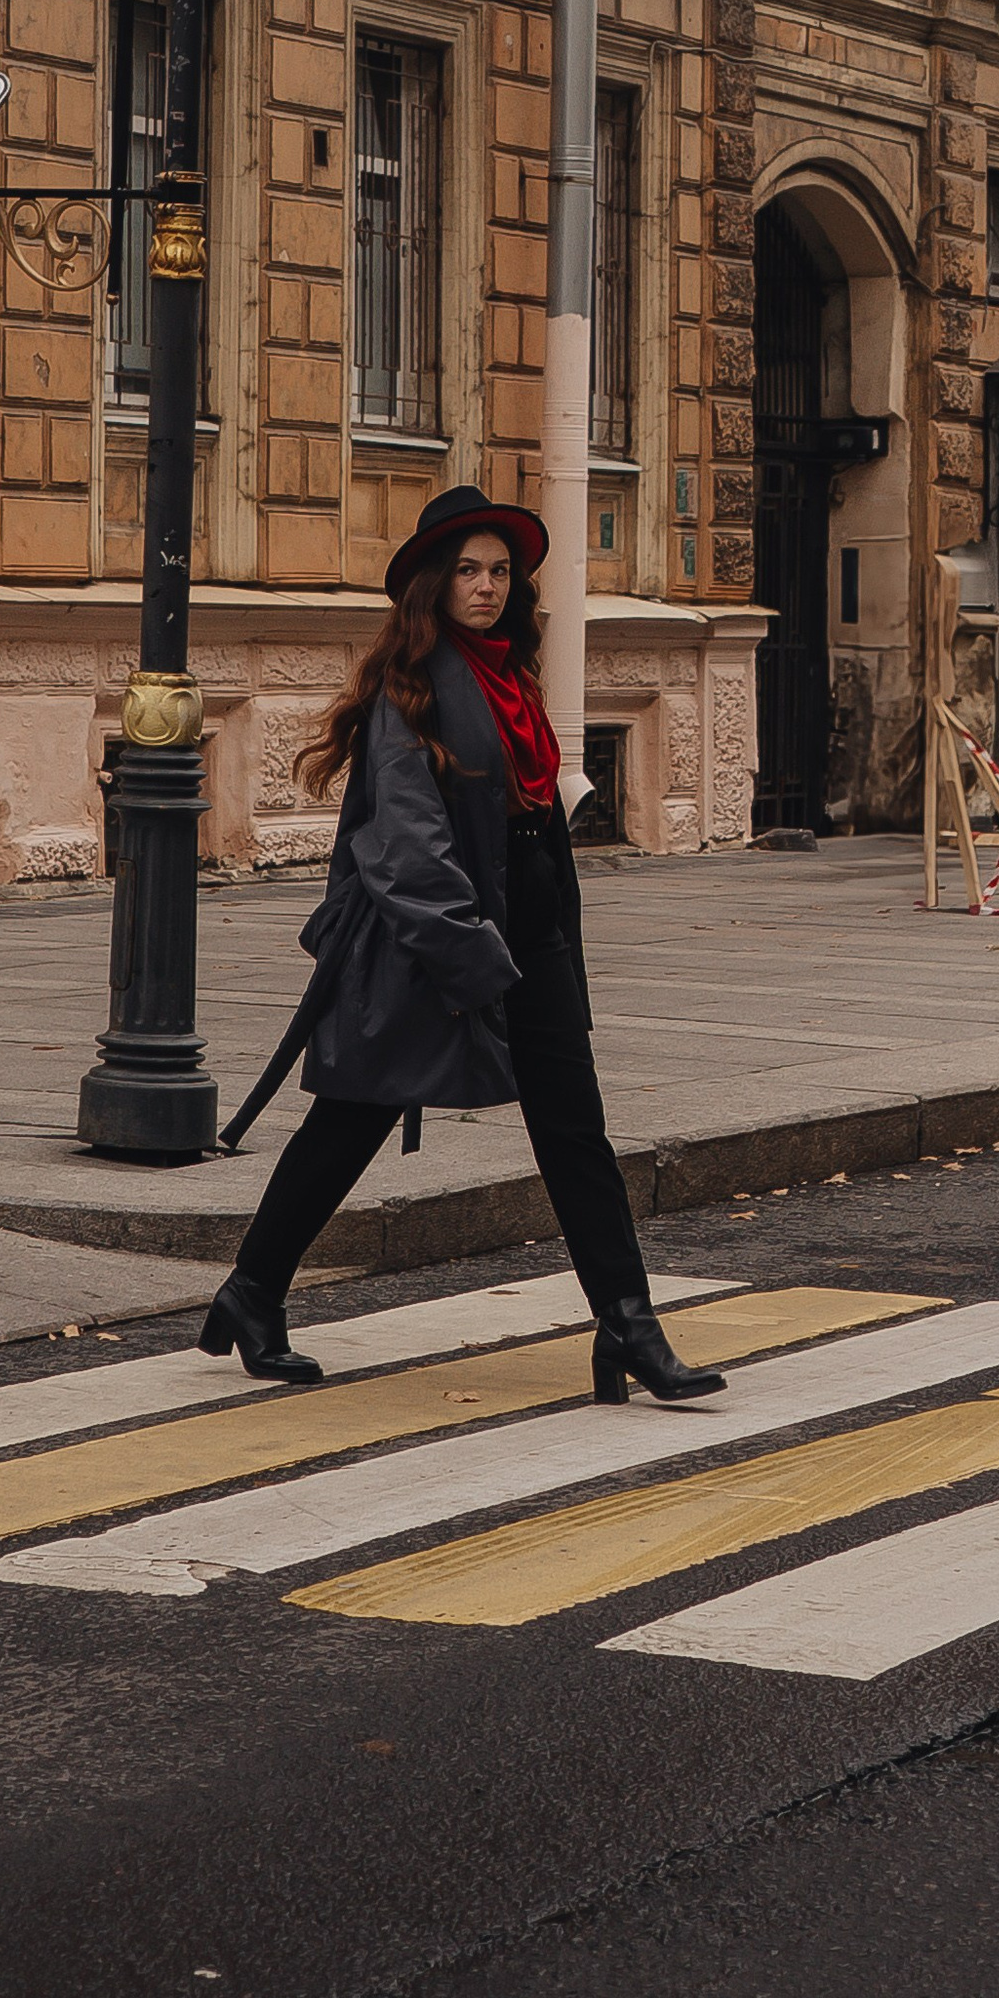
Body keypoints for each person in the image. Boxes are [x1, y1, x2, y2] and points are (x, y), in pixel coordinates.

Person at [201, 485, 725, 1407]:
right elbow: (407, 848)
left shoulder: (512, 679)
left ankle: (628, 1326)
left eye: (499, 571)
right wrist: (477, 961)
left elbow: (530, 820)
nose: (485, 586)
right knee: (352, 1117)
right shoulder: (413, 690)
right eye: (467, 571)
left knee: (576, 1131)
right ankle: (253, 1291)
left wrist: (546, 943)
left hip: (527, 929)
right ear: (433, 585)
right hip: (435, 941)